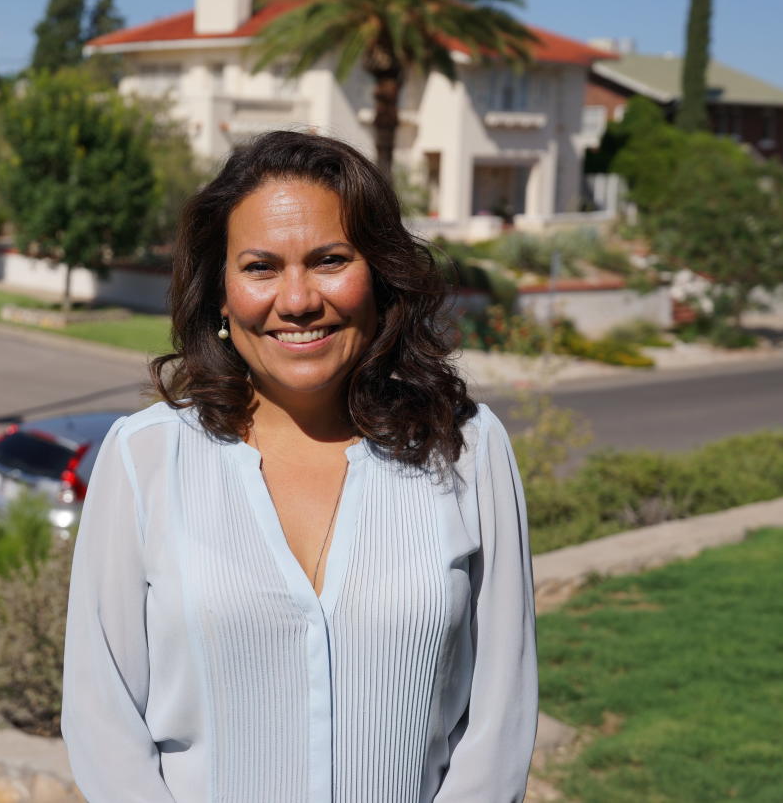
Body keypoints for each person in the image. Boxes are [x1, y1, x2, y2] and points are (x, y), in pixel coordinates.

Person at [62, 130, 537, 802]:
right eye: (260, 267)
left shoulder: (468, 450)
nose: (297, 300)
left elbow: (500, 718)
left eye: (329, 260)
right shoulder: (143, 460)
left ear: (379, 273)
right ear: (221, 294)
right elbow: (101, 718)